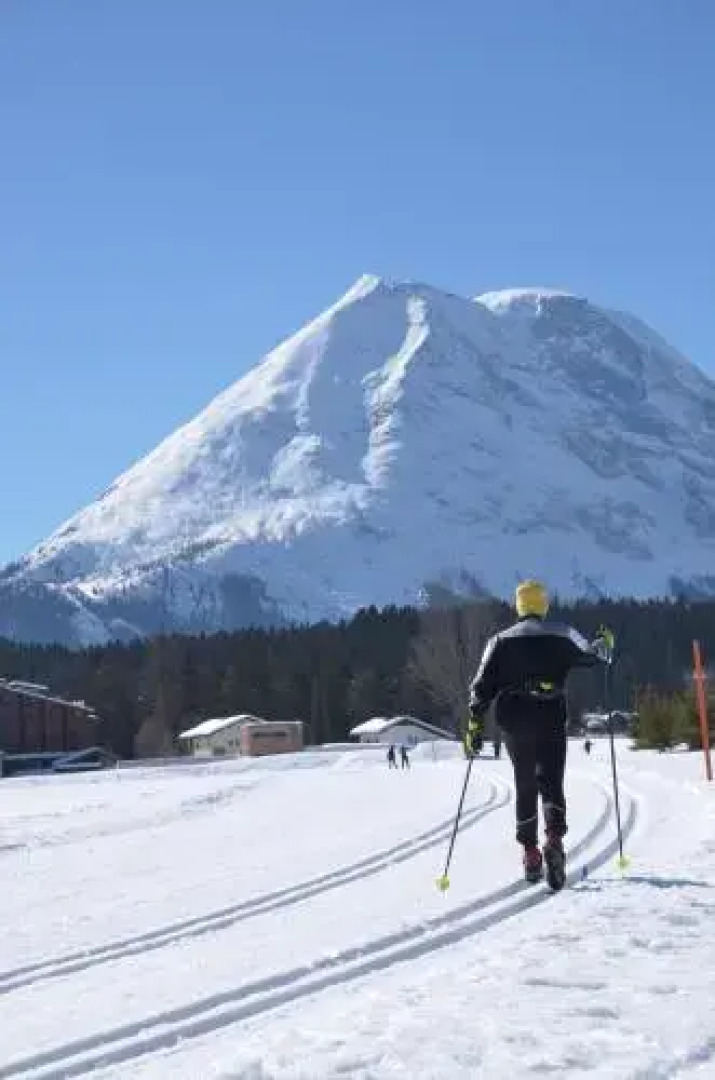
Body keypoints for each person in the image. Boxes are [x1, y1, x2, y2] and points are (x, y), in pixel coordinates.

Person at [465, 580, 613, 890]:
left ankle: (531, 853)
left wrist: (475, 725)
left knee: (525, 783)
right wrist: (604, 641)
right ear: (543, 605)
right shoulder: (562, 634)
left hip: (515, 720)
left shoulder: (499, 641)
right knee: (551, 780)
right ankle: (555, 840)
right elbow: (596, 656)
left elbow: (480, 687)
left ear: (518, 606)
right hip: (550, 716)